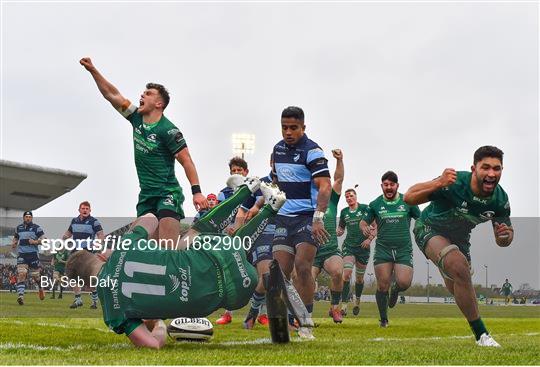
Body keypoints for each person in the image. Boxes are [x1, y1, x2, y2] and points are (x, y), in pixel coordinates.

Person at [65, 177, 286, 349]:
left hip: (236, 295)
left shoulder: (113, 315)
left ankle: (269, 206)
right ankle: (251, 194)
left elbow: (152, 345)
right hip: (221, 256)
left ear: (87, 286)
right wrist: (120, 244)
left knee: (218, 254)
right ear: (99, 256)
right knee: (194, 236)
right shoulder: (124, 246)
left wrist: (158, 323)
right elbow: (150, 218)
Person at [80, 57, 208, 245]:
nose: (142, 95)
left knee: (166, 248)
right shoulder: (135, 118)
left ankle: (187, 252)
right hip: (146, 196)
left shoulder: (168, 130)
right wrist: (93, 70)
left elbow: (186, 160)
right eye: (142, 93)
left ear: (159, 104)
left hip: (167, 194)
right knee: (145, 249)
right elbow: (112, 95)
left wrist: (197, 192)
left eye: (147, 94)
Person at [405, 145, 513, 347]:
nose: (491, 174)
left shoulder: (500, 199)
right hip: (429, 228)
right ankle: (482, 335)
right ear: (474, 169)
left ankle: (448, 269)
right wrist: (438, 182)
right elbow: (409, 197)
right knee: (459, 267)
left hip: (460, 239)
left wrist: (505, 237)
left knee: (460, 283)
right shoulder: (453, 183)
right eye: (485, 167)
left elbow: (504, 239)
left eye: (496, 169)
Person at [272, 106, 331, 339]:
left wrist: (318, 218)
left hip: (307, 218)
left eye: (293, 128)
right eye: (284, 127)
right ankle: (284, 322)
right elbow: (276, 180)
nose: (288, 132)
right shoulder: (277, 149)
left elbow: (325, 186)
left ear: (303, 127)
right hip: (283, 219)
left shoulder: (313, 151)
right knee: (278, 273)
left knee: (303, 267)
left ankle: (305, 322)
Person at [360, 171, 420, 327]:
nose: (388, 187)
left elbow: (420, 219)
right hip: (383, 249)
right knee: (382, 285)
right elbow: (363, 222)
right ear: (381, 186)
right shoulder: (375, 204)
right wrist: (364, 227)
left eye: (392, 185)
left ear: (397, 186)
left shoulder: (408, 201)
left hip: (403, 249)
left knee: (404, 282)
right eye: (385, 185)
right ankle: (384, 319)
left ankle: (396, 290)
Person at [215, 157, 250, 325]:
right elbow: (220, 215)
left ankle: (261, 313)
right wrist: (227, 228)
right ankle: (228, 314)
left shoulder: (254, 189)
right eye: (233, 171)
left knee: (261, 272)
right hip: (232, 238)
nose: (236, 173)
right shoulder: (224, 193)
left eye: (239, 170)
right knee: (230, 273)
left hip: (252, 236)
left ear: (246, 172)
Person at [312, 149, 345, 323]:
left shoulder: (331, 198)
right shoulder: (308, 197)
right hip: (310, 251)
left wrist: (339, 160)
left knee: (338, 272)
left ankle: (335, 308)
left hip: (330, 249)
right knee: (306, 280)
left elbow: (338, 179)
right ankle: (304, 315)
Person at [337, 186, 375, 317]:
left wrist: (369, 239)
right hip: (349, 246)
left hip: (363, 248)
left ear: (356, 196)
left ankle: (357, 300)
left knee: (359, 279)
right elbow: (341, 228)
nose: (348, 198)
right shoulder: (344, 212)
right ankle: (344, 306)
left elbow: (376, 226)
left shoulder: (365, 209)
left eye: (351, 196)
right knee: (346, 274)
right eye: (346, 196)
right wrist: (339, 232)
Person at [62, 201, 105, 309]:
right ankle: (78, 299)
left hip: (88, 253)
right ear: (79, 210)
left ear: (90, 210)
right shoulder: (74, 221)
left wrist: (99, 242)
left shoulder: (94, 222)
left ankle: (94, 301)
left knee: (90, 278)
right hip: (75, 252)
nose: (85, 210)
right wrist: (63, 238)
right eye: (83, 208)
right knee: (72, 275)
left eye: (87, 209)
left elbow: (101, 234)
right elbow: (69, 233)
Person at [11, 211, 46, 305]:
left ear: (32, 218)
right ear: (23, 218)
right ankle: (21, 296)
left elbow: (44, 240)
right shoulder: (18, 228)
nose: (28, 218)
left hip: (33, 255)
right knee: (21, 274)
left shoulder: (36, 228)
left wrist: (35, 242)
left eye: (30, 217)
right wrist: (14, 243)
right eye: (26, 217)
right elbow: (16, 238)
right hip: (22, 255)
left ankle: (40, 288)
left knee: (35, 276)